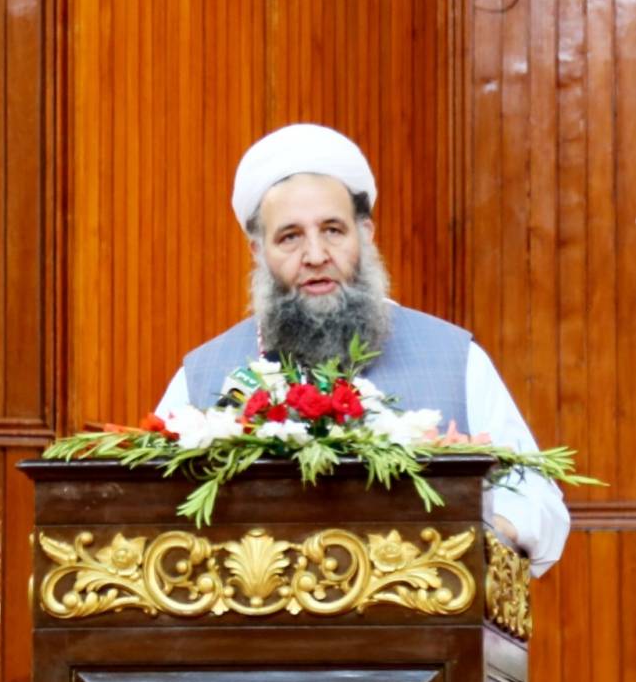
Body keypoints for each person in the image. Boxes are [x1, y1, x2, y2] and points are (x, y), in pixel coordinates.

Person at [157, 123, 569, 575]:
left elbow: (538, 501)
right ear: (258, 251)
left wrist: (472, 533)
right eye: (290, 236)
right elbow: (154, 514)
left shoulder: (454, 357)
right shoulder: (202, 375)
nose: (316, 255)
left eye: (333, 230)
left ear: (366, 233)